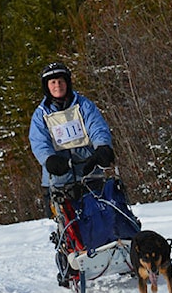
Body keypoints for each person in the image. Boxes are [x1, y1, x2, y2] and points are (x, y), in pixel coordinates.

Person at [28, 61, 116, 218]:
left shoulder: (84, 106)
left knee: (101, 219)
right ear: (47, 86)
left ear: (67, 83)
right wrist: (49, 159)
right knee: (69, 229)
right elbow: (39, 141)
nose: (57, 86)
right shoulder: (40, 115)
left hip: (89, 174)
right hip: (58, 181)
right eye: (53, 82)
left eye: (61, 81)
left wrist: (102, 147)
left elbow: (97, 127)